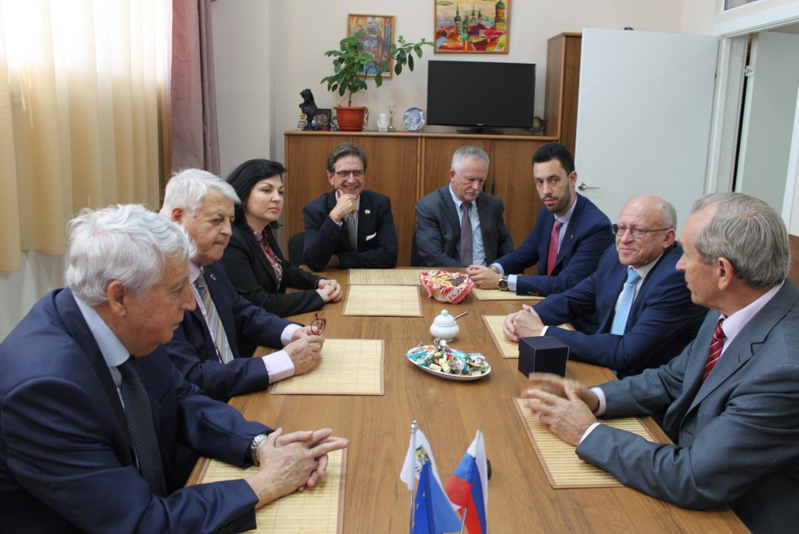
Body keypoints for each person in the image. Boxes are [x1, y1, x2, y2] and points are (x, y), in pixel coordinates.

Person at [0, 204, 349, 533]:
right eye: (176, 288)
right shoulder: (45, 390)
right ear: (119, 296)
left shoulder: (122, 324)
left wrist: (261, 445)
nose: (189, 302)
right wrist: (267, 483)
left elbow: (181, 399)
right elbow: (141, 523)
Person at [522, 193, 799, 534]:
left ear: (723, 272)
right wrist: (593, 398)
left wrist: (586, 432)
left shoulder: (785, 369)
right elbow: (671, 379)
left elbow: (694, 476)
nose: (679, 265)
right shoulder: (732, 307)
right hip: (690, 476)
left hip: (737, 517)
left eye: (687, 255)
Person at [160, 169, 323, 402]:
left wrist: (291, 332)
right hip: (207, 406)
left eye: (230, 221)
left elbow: (240, 311)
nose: (228, 231)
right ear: (178, 217)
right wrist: (283, 362)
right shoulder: (156, 282)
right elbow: (191, 377)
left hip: (238, 390)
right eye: (216, 220)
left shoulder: (210, 263)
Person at [504, 195, 706, 376]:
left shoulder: (676, 279)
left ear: (667, 238)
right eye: (621, 228)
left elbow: (626, 352)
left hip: (638, 385)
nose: (624, 239)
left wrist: (542, 332)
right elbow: (574, 299)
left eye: (638, 231)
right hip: (602, 366)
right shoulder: (615, 256)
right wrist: (530, 315)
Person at [468, 143, 613, 297]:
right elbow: (523, 255)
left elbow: (565, 284)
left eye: (554, 180)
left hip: (574, 310)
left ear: (572, 179)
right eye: (540, 182)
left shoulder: (596, 227)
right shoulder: (547, 214)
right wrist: (493, 270)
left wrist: (500, 281)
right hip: (546, 303)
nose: (546, 191)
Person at [223, 158, 342, 317]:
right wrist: (318, 296)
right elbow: (261, 303)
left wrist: (318, 282)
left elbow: (282, 268)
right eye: (266, 190)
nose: (277, 198)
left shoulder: (263, 231)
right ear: (243, 195)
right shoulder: (231, 241)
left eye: (280, 192)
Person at [302, 142, 399, 271]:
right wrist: (334, 217)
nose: (352, 180)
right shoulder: (315, 210)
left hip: (371, 278)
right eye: (344, 173)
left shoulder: (380, 204)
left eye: (357, 173)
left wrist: (338, 260)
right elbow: (313, 262)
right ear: (331, 177)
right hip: (333, 279)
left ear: (364, 174)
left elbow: (389, 256)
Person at [415, 145, 513, 267]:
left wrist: (496, 269)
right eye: (470, 179)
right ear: (452, 175)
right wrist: (467, 274)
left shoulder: (493, 205)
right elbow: (433, 255)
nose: (476, 187)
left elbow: (505, 245)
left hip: (487, 273)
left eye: (481, 181)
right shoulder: (430, 206)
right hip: (448, 275)